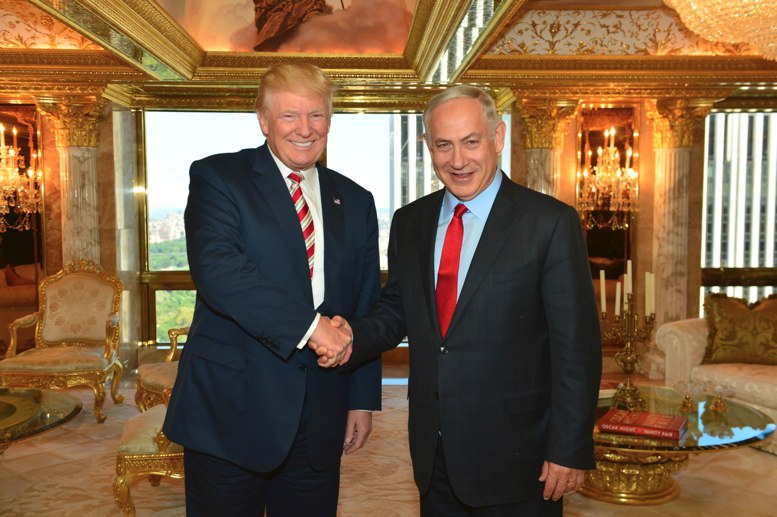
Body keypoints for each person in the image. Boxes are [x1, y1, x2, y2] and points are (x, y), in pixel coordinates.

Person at [313, 85, 602, 515]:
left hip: (519, 455)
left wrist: (569, 447)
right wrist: (352, 334)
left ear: (497, 137)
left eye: (471, 141)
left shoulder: (549, 222)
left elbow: (576, 348)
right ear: (428, 147)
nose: (458, 160)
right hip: (434, 452)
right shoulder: (410, 221)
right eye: (444, 145)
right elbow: (398, 308)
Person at [163, 62, 382, 516]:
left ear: (330, 120)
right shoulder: (219, 177)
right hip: (230, 413)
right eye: (289, 115)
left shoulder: (356, 200)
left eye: (316, 115)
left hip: (320, 417)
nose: (305, 128)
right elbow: (221, 273)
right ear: (264, 120)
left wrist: (361, 400)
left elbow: (364, 303)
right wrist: (313, 329)